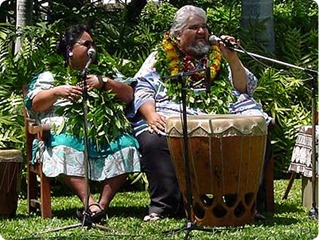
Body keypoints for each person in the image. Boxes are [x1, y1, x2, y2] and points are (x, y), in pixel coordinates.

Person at [128, 5, 271, 222]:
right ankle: (165, 206)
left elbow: (243, 87)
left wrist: (232, 58)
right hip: (174, 111)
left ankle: (241, 203)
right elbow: (143, 88)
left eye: (204, 26)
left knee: (256, 131)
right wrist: (150, 115)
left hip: (221, 111)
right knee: (153, 139)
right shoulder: (159, 56)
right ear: (177, 35)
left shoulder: (218, 53)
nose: (202, 32)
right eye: (194, 28)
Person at [24, 24, 141, 224]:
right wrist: (56, 92)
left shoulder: (104, 72)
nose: (91, 48)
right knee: (62, 148)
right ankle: (89, 202)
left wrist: (104, 82)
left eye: (93, 44)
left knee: (127, 145)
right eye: (86, 44)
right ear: (69, 48)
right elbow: (35, 104)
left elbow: (129, 95)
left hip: (102, 130)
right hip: (64, 131)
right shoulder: (50, 75)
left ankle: (100, 207)